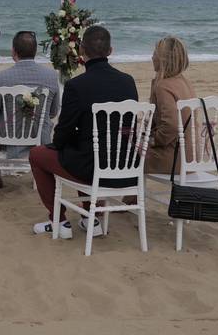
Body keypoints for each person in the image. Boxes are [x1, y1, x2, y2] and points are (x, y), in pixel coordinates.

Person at [28, 25, 139, 239]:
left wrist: (62, 142)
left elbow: (62, 134)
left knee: (38, 154)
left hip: (93, 168)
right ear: (110, 51)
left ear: (81, 51)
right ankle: (91, 218)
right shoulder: (128, 82)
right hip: (125, 166)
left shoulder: (76, 85)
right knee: (81, 148)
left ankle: (59, 221)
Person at [0, 31, 60, 189]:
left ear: (14, 51)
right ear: (35, 51)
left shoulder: (2, 77)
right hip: (39, 138)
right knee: (46, 124)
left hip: (6, 138)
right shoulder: (51, 76)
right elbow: (53, 111)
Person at [145, 36, 197, 174]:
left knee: (129, 157)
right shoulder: (185, 83)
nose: (151, 57)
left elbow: (171, 126)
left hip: (175, 159)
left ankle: (131, 195)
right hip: (191, 157)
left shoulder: (163, 86)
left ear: (163, 60)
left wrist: (153, 140)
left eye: (154, 53)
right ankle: (133, 196)